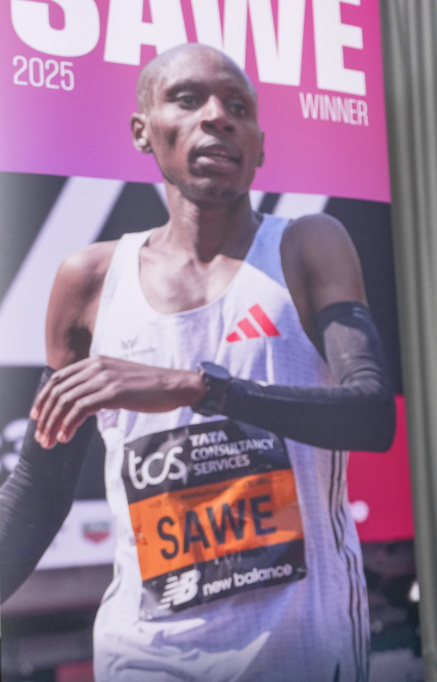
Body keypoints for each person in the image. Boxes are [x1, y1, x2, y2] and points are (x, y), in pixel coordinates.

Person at [0, 43, 395, 681]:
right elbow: (38, 493)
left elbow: (372, 415)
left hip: (300, 646)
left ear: (261, 147)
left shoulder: (305, 246)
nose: (217, 117)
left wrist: (194, 386)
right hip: (146, 651)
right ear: (142, 131)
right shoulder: (90, 280)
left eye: (237, 106)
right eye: (187, 99)